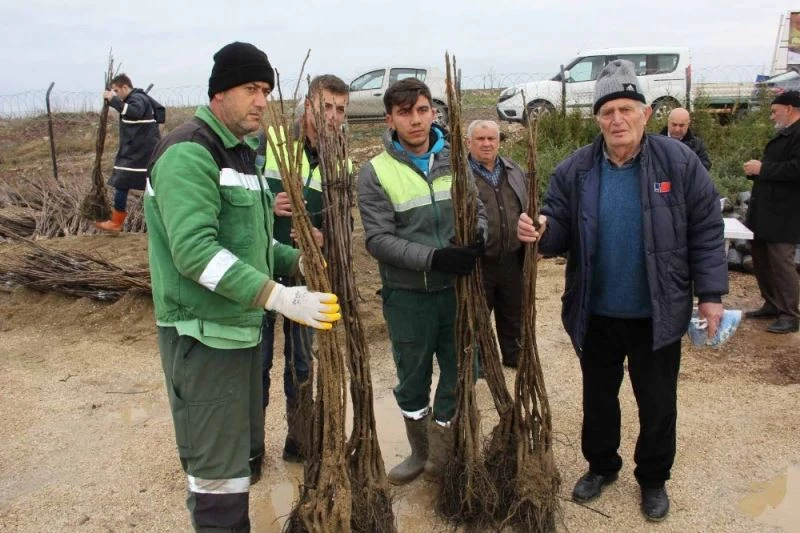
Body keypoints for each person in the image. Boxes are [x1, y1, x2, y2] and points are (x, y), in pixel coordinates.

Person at [143, 42, 341, 531]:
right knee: (219, 482)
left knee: (233, 470)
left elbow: (253, 248)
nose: (261, 101)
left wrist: (300, 264)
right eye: (251, 89)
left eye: (266, 90)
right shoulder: (190, 152)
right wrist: (280, 297)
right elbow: (195, 254)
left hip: (236, 333)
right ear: (219, 92)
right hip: (202, 337)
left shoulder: (241, 155)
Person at [517, 59, 727, 522]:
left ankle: (652, 478)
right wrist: (542, 231)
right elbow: (559, 227)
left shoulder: (679, 162)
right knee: (598, 397)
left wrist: (711, 295)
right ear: (597, 118)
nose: (617, 119)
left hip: (659, 310)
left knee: (657, 403)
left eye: (626, 109)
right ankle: (601, 466)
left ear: (645, 113)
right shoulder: (577, 169)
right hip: (596, 311)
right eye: (608, 110)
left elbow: (708, 230)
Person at [357, 78, 487, 486]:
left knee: (461, 368)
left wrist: (477, 236)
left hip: (456, 293)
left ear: (434, 112)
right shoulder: (375, 172)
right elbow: (378, 240)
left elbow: (477, 209)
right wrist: (434, 258)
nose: (415, 120)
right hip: (408, 295)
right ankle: (419, 451)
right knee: (412, 378)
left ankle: (442, 452)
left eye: (422, 110)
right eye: (405, 112)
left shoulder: (456, 161)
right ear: (390, 119)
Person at [256, 74, 350, 462]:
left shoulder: (339, 155)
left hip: (307, 273)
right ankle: (251, 450)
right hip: (261, 267)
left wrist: (325, 237)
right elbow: (238, 196)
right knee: (255, 359)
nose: (332, 116)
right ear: (308, 103)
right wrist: (268, 204)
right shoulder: (270, 142)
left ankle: (299, 442)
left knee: (301, 362)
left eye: (340, 109)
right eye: (325, 106)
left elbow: (344, 218)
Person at [466, 119, 527, 368]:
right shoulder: (460, 175)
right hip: (480, 262)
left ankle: (514, 358)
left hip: (512, 257)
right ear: (468, 143)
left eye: (492, 139)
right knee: (477, 316)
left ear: (499, 142)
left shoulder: (514, 170)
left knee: (513, 313)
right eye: (480, 139)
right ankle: (478, 368)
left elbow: (527, 204)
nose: (487, 144)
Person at [742, 91, 800, 334]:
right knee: (762, 260)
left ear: (789, 108)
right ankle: (772, 304)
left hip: (783, 215)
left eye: (775, 110)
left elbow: (796, 169)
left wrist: (763, 169)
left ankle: (790, 314)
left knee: (781, 264)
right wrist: (756, 172)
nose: (772, 115)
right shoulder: (786, 133)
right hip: (765, 213)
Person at [96, 74, 161, 232]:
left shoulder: (137, 99)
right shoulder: (135, 98)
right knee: (135, 184)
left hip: (140, 152)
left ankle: (117, 223)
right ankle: (117, 222)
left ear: (125, 87)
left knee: (125, 182)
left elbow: (134, 112)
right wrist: (114, 101)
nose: (115, 94)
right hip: (138, 150)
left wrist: (113, 100)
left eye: (116, 91)